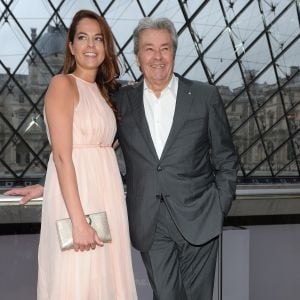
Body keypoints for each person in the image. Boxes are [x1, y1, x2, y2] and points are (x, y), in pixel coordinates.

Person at [6, 16, 238, 300]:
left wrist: (218, 207)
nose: (157, 57)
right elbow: (71, 149)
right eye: (149, 49)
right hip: (147, 221)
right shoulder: (121, 98)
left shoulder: (200, 95)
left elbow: (226, 158)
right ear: (138, 56)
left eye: (165, 48)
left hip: (199, 216)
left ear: (174, 52)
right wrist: (49, 185)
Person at [5, 9, 137, 299]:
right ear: (71, 46)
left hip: (106, 196)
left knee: (104, 280)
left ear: (106, 47)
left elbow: (96, 148)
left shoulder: (103, 92)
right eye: (83, 38)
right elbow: (64, 156)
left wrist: (47, 184)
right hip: (79, 205)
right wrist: (78, 221)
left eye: (98, 38)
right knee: (77, 280)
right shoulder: (62, 85)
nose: (91, 45)